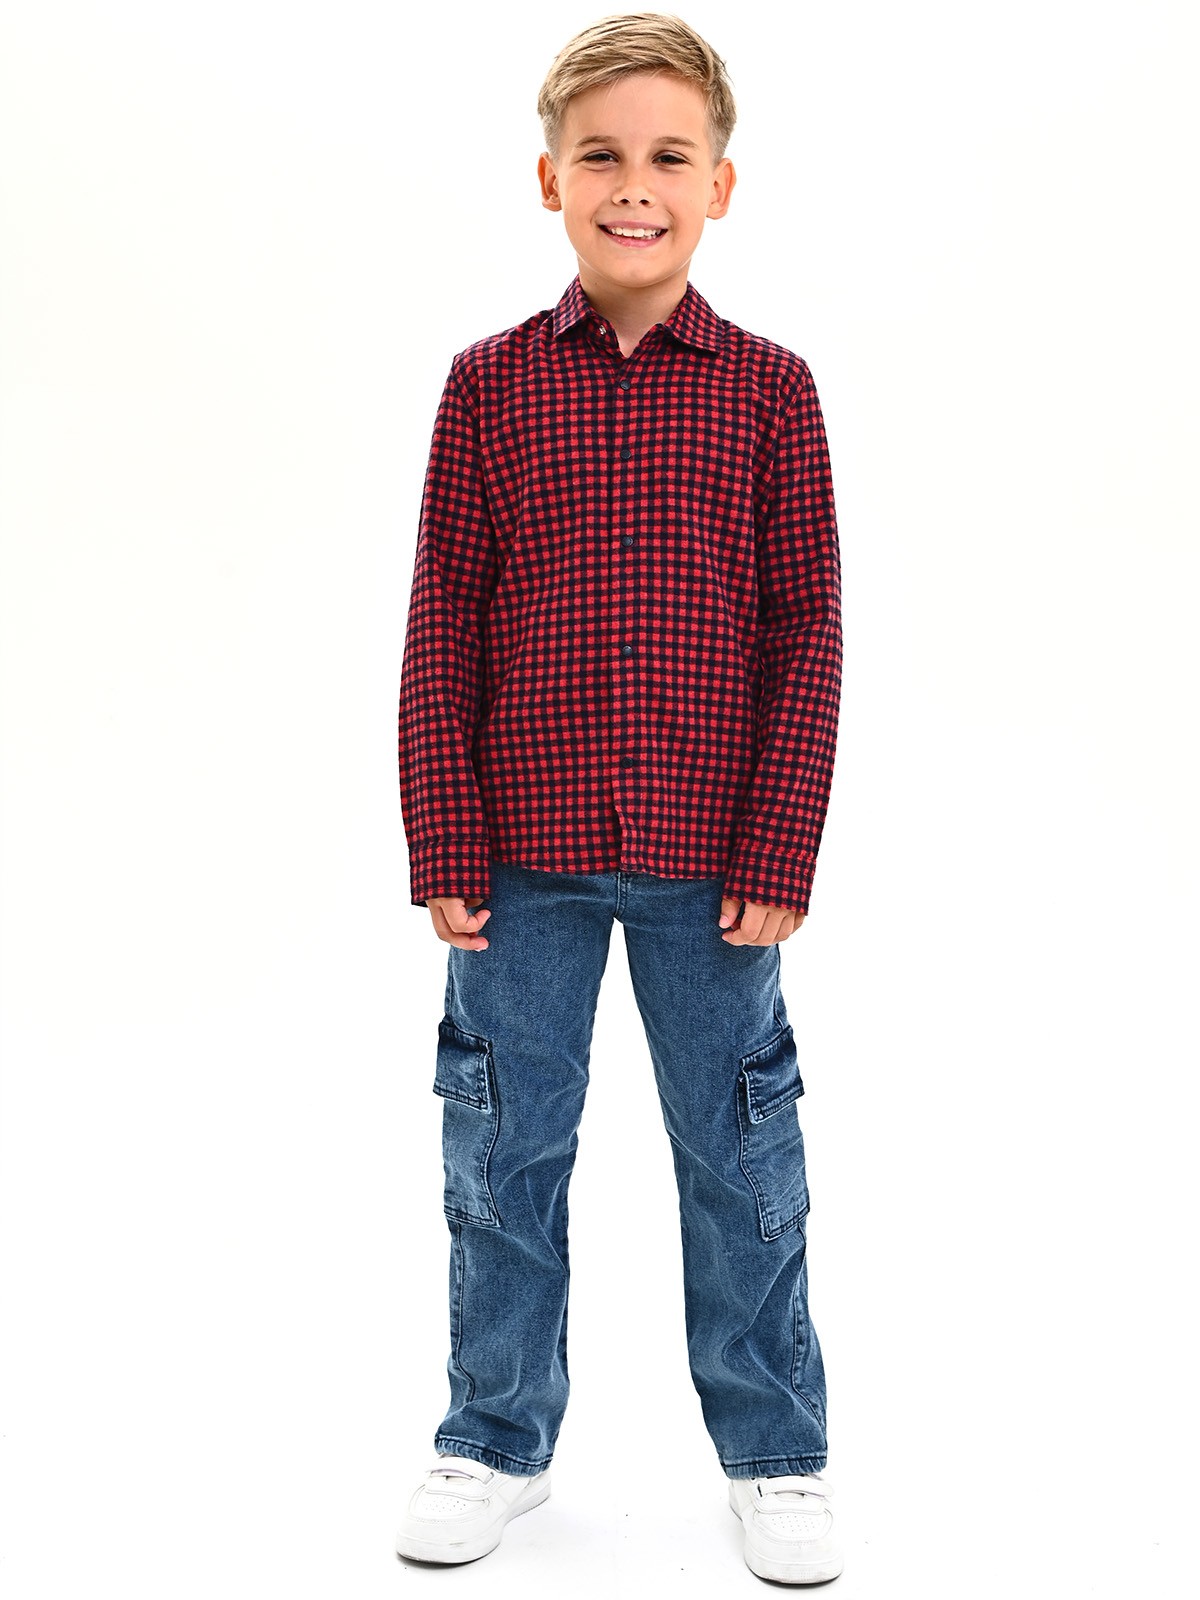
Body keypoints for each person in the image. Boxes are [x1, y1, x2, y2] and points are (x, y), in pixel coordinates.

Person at [394, 12, 844, 1586]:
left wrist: (780, 841)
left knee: (741, 1159)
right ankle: (492, 1439)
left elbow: (806, 631)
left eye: (667, 157)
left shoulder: (772, 393)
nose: (632, 185)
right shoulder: (488, 388)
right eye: (601, 156)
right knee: (501, 1157)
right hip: (518, 859)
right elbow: (445, 618)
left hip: (714, 862)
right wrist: (444, 836)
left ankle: (777, 1453)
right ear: (550, 180)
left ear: (720, 185)